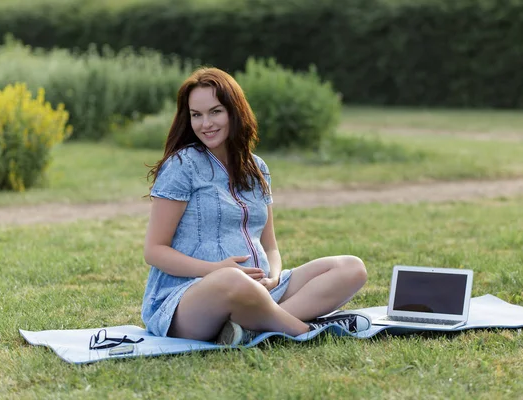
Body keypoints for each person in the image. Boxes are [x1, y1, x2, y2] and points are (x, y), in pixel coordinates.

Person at [142, 67, 371, 345]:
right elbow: (155, 251)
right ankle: (304, 331)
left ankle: (255, 327)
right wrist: (215, 269)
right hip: (190, 298)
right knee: (231, 281)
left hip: (261, 289)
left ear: (234, 111)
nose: (205, 124)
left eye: (216, 112)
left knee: (352, 268)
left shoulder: (256, 167)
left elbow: (270, 245)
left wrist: (274, 278)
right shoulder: (182, 166)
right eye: (196, 115)